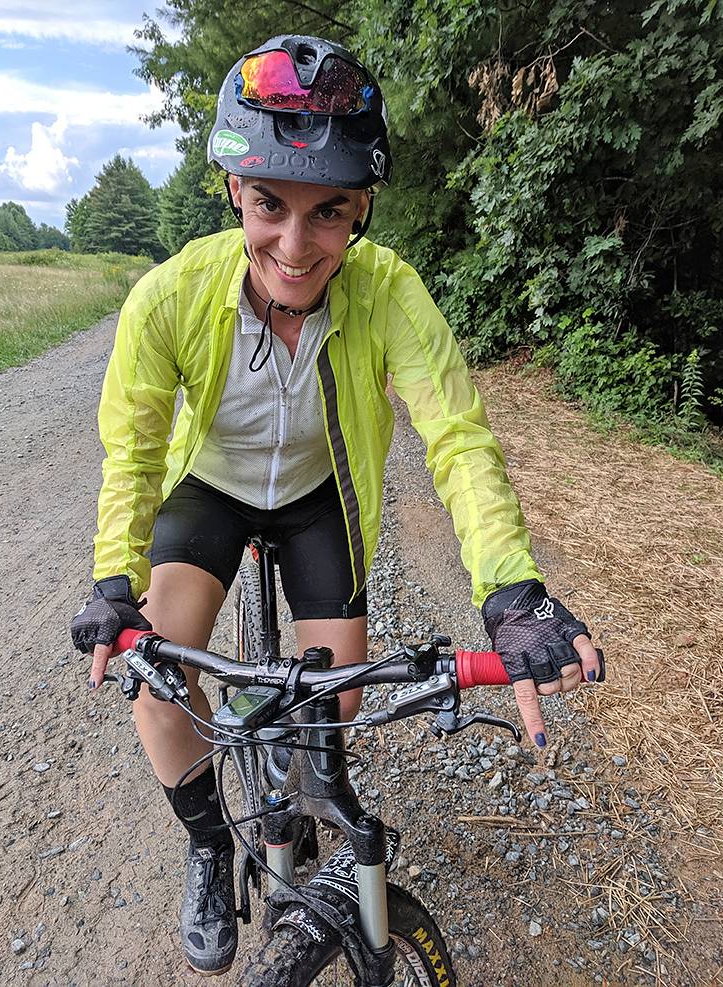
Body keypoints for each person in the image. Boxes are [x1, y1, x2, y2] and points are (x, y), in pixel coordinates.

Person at [71, 34, 602, 977]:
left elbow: (457, 435)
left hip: (323, 498)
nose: (296, 245)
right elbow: (135, 447)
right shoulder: (167, 299)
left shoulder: (389, 289)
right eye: (271, 205)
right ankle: (205, 840)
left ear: (361, 209)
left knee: (338, 713)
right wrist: (114, 578)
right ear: (235, 190)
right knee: (157, 683)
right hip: (213, 493)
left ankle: (314, 798)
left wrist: (513, 592)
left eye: (331, 214)